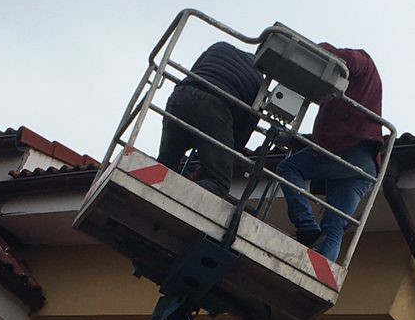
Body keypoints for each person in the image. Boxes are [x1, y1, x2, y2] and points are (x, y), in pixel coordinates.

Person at [277, 46, 383, 263]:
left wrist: (314, 53)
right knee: (334, 227)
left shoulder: (361, 63)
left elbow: (346, 60)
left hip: (349, 150)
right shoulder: (337, 93)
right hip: (365, 165)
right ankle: (318, 273)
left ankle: (306, 227)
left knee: (289, 168)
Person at [160, 41, 263, 199]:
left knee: (165, 165)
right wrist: (210, 164)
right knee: (219, 184)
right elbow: (239, 138)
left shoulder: (220, 46)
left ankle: (150, 182)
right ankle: (176, 196)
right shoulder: (260, 82)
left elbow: (193, 73)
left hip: (182, 95)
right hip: (215, 109)